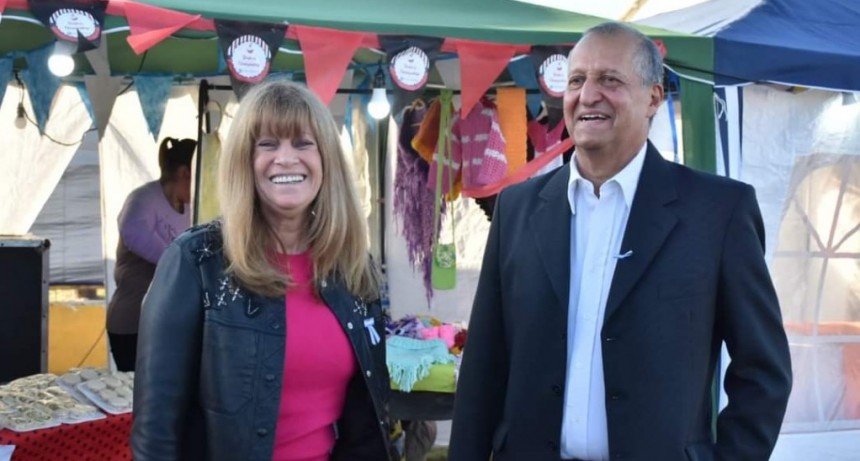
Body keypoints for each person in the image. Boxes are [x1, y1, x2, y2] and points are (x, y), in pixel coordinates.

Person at [449, 22, 792, 461]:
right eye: (576, 81)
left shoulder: (717, 211)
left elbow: (763, 371)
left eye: (610, 80)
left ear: (653, 97)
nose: (588, 95)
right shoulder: (517, 208)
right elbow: (484, 365)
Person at [130, 80, 392, 461]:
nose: (286, 159)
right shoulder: (196, 261)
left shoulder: (352, 267)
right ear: (244, 161)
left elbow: (366, 422)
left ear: (327, 160)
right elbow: (156, 433)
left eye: (303, 143)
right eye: (267, 144)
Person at [106, 136, 197, 371]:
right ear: (185, 172)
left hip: (166, 325)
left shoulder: (188, 208)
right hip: (133, 324)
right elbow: (136, 237)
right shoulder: (142, 200)